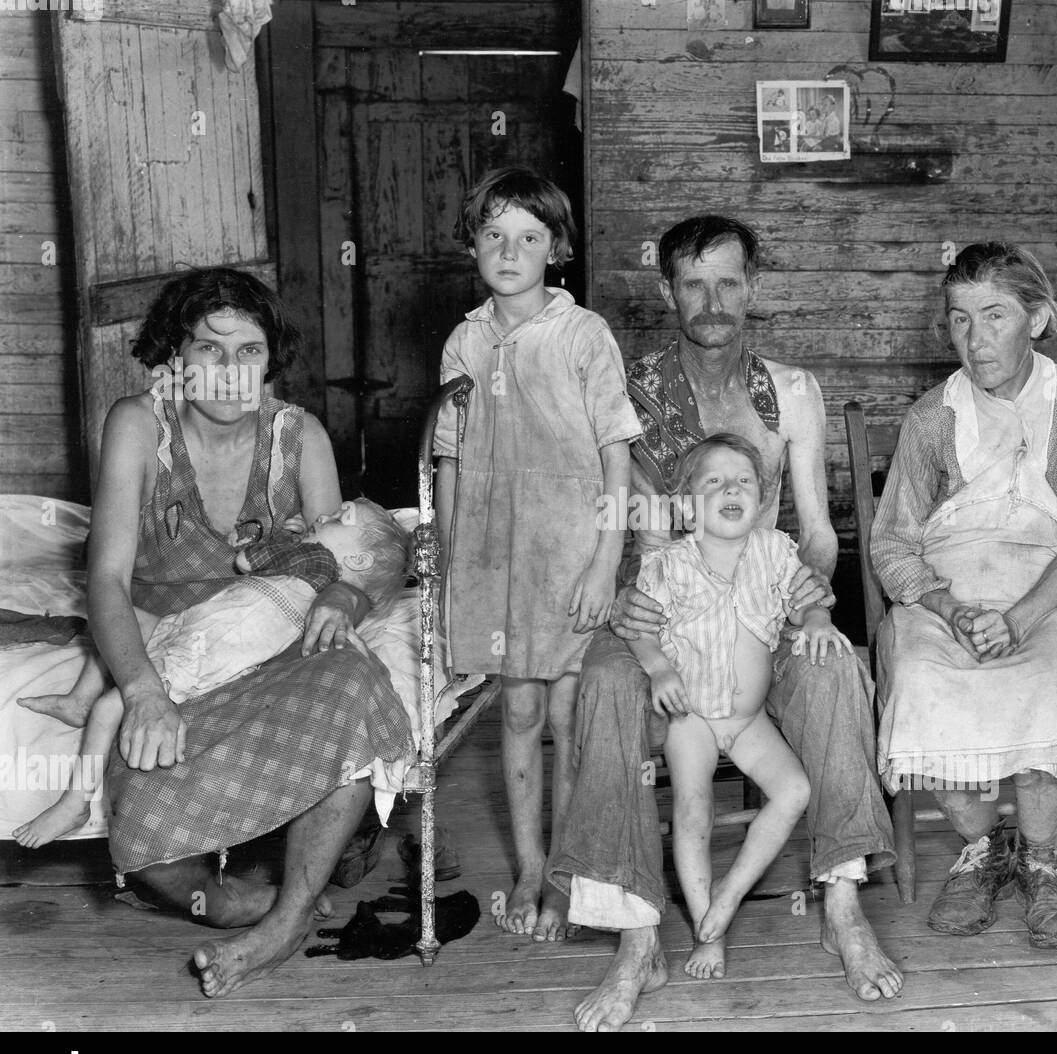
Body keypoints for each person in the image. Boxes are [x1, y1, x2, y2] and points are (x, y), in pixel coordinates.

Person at [550, 215, 902, 1032]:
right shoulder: (628, 391)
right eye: (692, 283)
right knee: (602, 682)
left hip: (763, 599)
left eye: (728, 282)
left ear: (754, 288)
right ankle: (637, 934)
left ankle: (843, 900)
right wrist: (629, 593)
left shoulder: (792, 391)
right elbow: (608, 515)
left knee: (835, 666)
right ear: (667, 288)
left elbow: (815, 530)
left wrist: (809, 603)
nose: (711, 301)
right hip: (660, 599)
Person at [82, 266, 413, 998]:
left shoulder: (302, 438)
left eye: (250, 352)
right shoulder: (138, 425)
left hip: (272, 643)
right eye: (209, 349)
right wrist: (141, 690)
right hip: (181, 660)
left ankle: (283, 922)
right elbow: (104, 578)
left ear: (270, 360)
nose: (230, 374)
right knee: (143, 839)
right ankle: (239, 901)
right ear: (174, 357)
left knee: (359, 683)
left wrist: (344, 602)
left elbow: (347, 560)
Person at [871, 241, 1057, 951]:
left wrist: (1018, 620)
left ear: (1037, 319)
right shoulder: (930, 418)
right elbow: (892, 544)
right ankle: (982, 851)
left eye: (995, 315)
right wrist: (950, 610)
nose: (975, 340)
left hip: (1053, 589)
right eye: (959, 320)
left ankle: (1042, 860)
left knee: (1045, 675)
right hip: (949, 592)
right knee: (922, 674)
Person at [433, 167, 641, 943]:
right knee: (516, 707)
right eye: (493, 235)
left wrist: (604, 562)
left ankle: (569, 869)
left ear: (555, 247)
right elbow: (449, 460)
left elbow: (618, 455)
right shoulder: (464, 340)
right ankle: (528, 861)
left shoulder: (584, 334)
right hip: (495, 556)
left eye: (528, 237)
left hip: (570, 552)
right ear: (474, 247)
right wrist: (454, 565)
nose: (509, 250)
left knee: (567, 710)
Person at [14, 499, 408, 848]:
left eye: (341, 517)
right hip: (189, 628)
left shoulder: (317, 560)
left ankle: (75, 803)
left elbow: (245, 561)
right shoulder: (318, 578)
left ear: (357, 561)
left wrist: (288, 540)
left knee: (108, 709)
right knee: (121, 618)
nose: (325, 514)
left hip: (200, 657)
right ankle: (77, 703)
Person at [630, 433, 850, 980]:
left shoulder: (775, 550)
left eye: (744, 481)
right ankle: (710, 930)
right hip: (693, 719)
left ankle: (729, 892)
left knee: (795, 789)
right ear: (685, 505)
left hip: (749, 720)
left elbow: (808, 599)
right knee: (693, 809)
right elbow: (641, 631)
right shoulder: (668, 564)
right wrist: (658, 667)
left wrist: (818, 622)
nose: (732, 488)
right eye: (714, 481)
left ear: (760, 497)